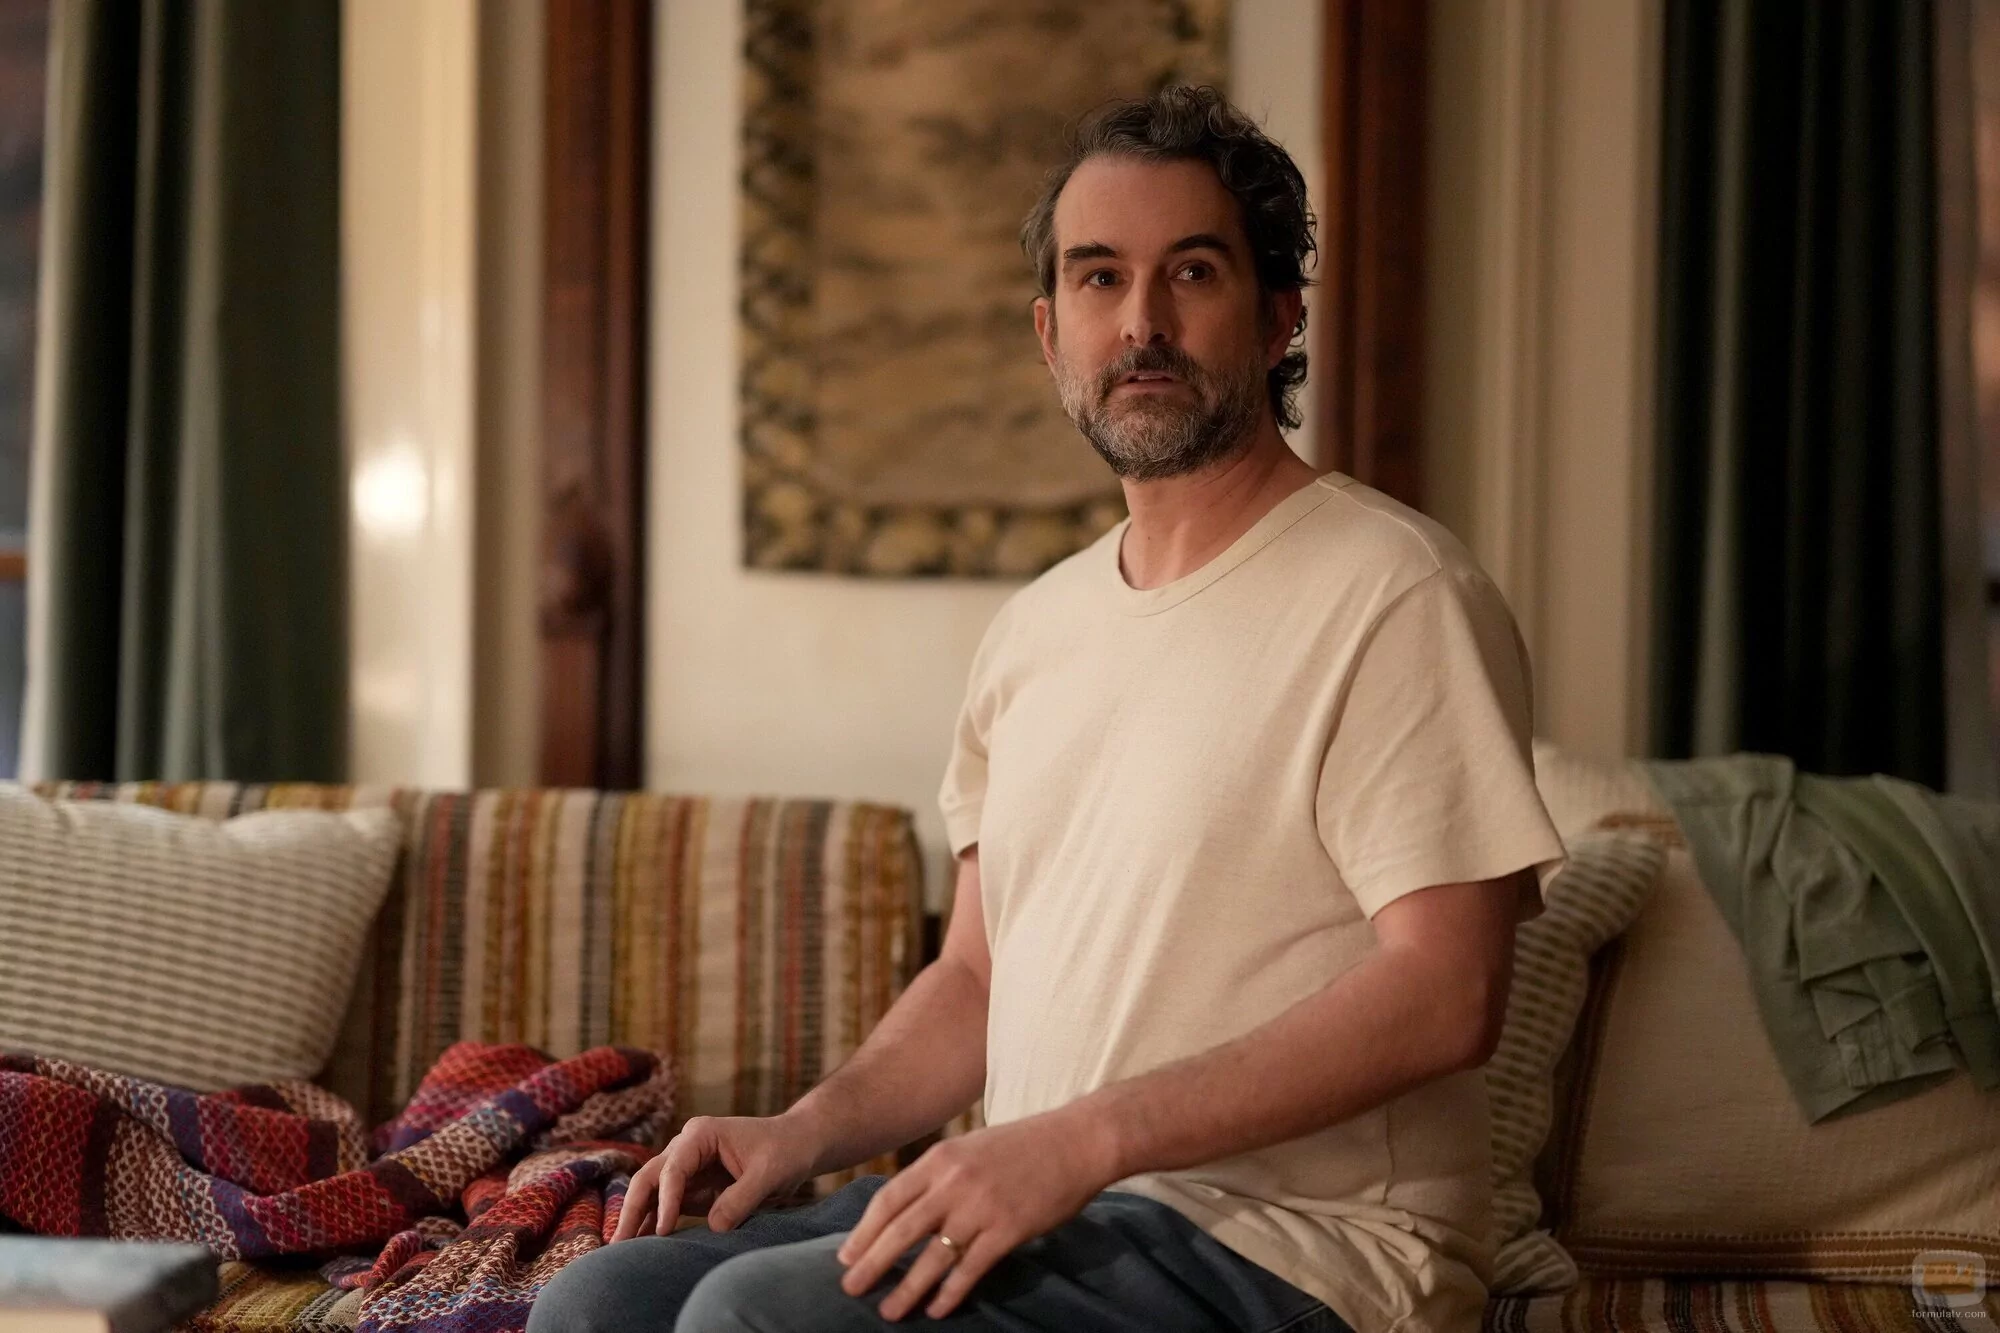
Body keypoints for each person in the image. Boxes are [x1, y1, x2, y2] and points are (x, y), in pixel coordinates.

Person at [526, 84, 1565, 1333]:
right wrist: (803, 1130)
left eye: (1192, 272)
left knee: (752, 1320)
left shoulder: (1395, 591)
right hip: (1053, 1205)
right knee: (598, 1301)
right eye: (1097, 277)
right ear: (1048, 331)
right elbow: (975, 975)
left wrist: (1078, 1139)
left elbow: (1447, 991)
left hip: (1302, 1248)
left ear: (1278, 317)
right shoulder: (1034, 631)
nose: (1141, 322)